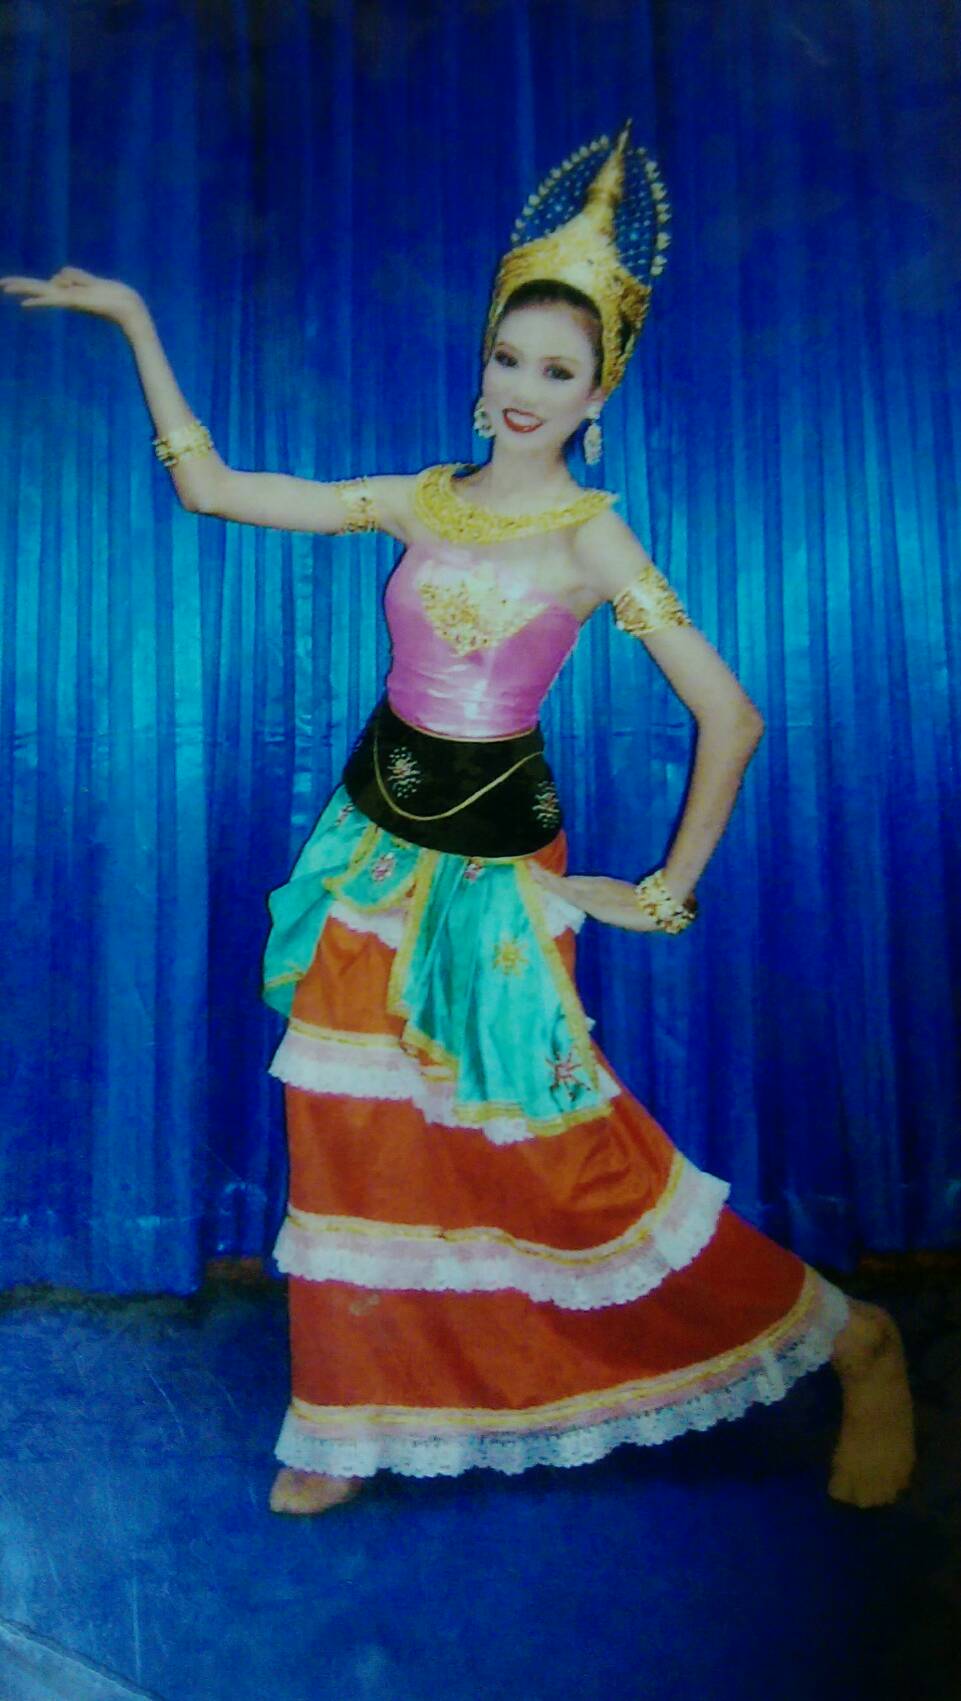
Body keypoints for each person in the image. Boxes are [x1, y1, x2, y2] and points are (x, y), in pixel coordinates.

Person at [1, 122, 915, 1518]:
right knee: (352, 1128)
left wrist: (660, 890)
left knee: (561, 1150)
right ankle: (347, 1416)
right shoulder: (417, 500)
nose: (523, 389)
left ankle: (852, 1340)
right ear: (481, 363)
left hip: (494, 875)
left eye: (557, 370)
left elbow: (729, 717)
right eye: (509, 358)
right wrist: (132, 320)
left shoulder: (594, 536)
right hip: (369, 850)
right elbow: (212, 488)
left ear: (599, 390)